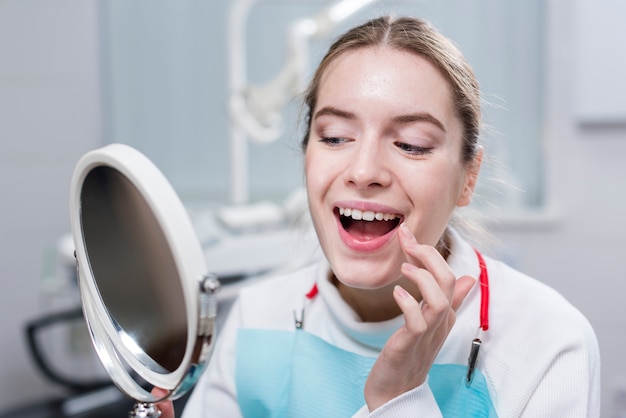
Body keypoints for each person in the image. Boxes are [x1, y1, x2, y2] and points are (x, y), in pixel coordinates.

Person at [157, 15, 601, 417]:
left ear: (468, 178)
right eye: (334, 137)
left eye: (411, 144)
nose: (364, 171)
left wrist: (398, 399)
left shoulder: (548, 342)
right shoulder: (258, 318)